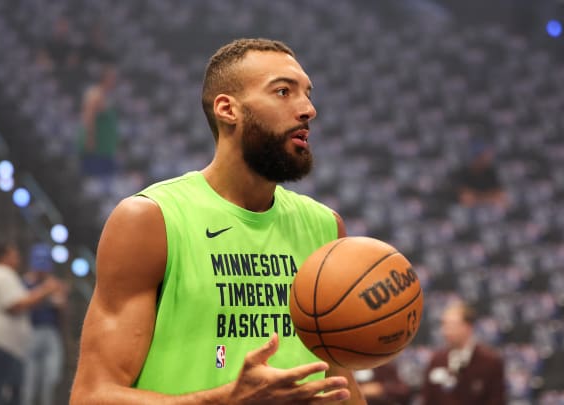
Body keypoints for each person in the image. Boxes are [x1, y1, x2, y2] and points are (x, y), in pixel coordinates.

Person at [70, 38, 365, 404]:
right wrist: (226, 401)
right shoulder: (151, 219)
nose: (308, 109)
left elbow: (341, 385)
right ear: (228, 109)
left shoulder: (325, 227)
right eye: (284, 92)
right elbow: (91, 396)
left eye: (308, 94)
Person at [0, 240, 63, 405]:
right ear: (3, 256)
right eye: (14, 254)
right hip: (1, 344)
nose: (18, 258)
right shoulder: (1, 274)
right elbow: (14, 305)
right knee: (4, 393)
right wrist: (46, 290)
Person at [420, 301, 505, 405]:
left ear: (468, 327)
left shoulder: (490, 361)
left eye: (452, 325)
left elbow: (496, 400)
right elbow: (427, 399)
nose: (446, 331)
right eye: (444, 325)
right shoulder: (436, 360)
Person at [21, 243, 68, 405]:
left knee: (51, 376)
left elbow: (61, 306)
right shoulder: (25, 282)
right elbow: (23, 304)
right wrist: (46, 290)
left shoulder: (54, 283)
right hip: (31, 331)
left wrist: (58, 292)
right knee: (29, 379)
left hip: (51, 332)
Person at [77, 64, 120, 180]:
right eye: (113, 78)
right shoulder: (95, 94)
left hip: (105, 148)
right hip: (97, 148)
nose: (115, 81)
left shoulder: (107, 95)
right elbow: (88, 118)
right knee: (93, 181)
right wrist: (90, 139)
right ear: (105, 78)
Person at [453, 141, 508, 208]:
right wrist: (486, 197)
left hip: (486, 205)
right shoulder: (464, 172)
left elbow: (498, 193)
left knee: (502, 198)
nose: (487, 159)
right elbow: (464, 196)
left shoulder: (490, 172)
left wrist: (481, 198)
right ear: (477, 157)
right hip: (465, 211)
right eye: (483, 156)